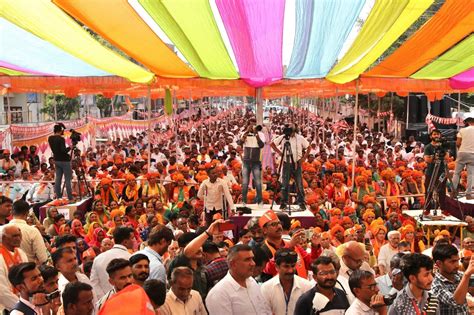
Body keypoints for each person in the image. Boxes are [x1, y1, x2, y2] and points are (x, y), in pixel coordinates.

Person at [206, 244, 271, 315]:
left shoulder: (252, 282)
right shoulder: (219, 293)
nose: (253, 263)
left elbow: (265, 309)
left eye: (252, 258)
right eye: (247, 260)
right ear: (232, 264)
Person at [260, 248, 312, 315]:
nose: (290, 270)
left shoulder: (306, 286)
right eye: (286, 266)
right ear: (276, 267)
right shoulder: (266, 288)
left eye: (293, 266)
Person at [271, 123, 309, 210]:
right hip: (286, 163)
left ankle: (301, 202)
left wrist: (303, 158)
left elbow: (309, 147)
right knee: (284, 184)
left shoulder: (300, 138)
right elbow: (272, 144)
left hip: (297, 163)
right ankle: (283, 202)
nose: (290, 132)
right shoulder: (284, 137)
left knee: (299, 184)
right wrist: (280, 153)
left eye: (291, 130)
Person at [90, 226, 134, 299]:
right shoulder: (131, 258)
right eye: (132, 238)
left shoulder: (98, 258)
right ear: (125, 242)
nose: (134, 241)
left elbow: (94, 284)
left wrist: (105, 299)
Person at [431, 244, 473, 314]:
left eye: (457, 261)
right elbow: (456, 302)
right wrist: (466, 275)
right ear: (439, 263)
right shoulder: (436, 284)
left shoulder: (458, 275)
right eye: (452, 262)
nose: (457, 265)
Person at [8, 199, 48, 264]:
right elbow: (43, 258)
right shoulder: (32, 231)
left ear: (11, 212)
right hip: (29, 269)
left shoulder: (1, 230)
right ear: (27, 213)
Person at [0, 225, 29, 313]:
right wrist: (22, 307)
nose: (19, 238)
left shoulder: (21, 253)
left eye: (19, 235)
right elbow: (2, 291)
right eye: (15, 236)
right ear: (4, 238)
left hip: (24, 301)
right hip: (6, 306)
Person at [240, 120, 265, 206]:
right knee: (245, 182)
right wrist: (246, 132)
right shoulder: (245, 133)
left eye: (254, 125)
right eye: (251, 125)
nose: (252, 127)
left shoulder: (260, 134)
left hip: (256, 162)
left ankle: (260, 200)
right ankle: (244, 201)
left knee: (258, 182)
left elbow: (261, 145)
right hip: (246, 162)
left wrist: (256, 134)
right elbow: (240, 143)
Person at [423, 129, 448, 210]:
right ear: (431, 136)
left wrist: (433, 158)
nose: (436, 136)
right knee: (428, 191)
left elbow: (447, 158)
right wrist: (435, 158)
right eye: (434, 134)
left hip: (441, 172)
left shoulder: (443, 146)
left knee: (442, 191)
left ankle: (444, 209)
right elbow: (427, 159)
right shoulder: (428, 147)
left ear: (440, 136)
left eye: (438, 134)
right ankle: (427, 209)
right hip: (430, 172)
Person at [48, 123, 73, 201]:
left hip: (56, 160)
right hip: (64, 161)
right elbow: (63, 150)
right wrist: (70, 147)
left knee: (58, 179)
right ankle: (70, 198)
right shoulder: (61, 138)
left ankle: (58, 198)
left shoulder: (50, 138)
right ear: (60, 130)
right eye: (62, 130)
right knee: (67, 179)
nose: (63, 132)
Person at [452, 117, 474, 198]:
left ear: (467, 123)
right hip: (473, 154)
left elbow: (458, 143)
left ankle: (453, 192)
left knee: (456, 173)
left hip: (462, 152)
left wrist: (461, 149)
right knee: (471, 174)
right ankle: (468, 194)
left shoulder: (462, 130)